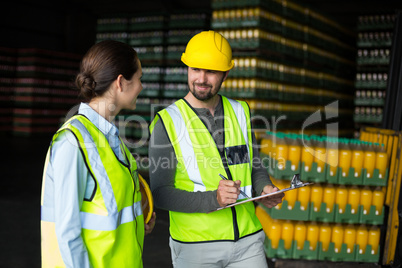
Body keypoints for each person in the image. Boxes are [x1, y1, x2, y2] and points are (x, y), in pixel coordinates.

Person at [149, 30, 284, 268]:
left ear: (226, 73)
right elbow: (160, 193)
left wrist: (264, 188)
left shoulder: (240, 111)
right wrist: (215, 199)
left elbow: (252, 164)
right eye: (195, 69)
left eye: (211, 71)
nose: (201, 79)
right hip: (196, 246)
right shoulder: (167, 121)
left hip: (247, 240)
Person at [40, 40, 156, 268]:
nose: (142, 87)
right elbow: (68, 234)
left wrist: (137, 220)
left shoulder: (110, 139)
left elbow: (106, 209)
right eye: (139, 78)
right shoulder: (72, 143)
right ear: (121, 82)